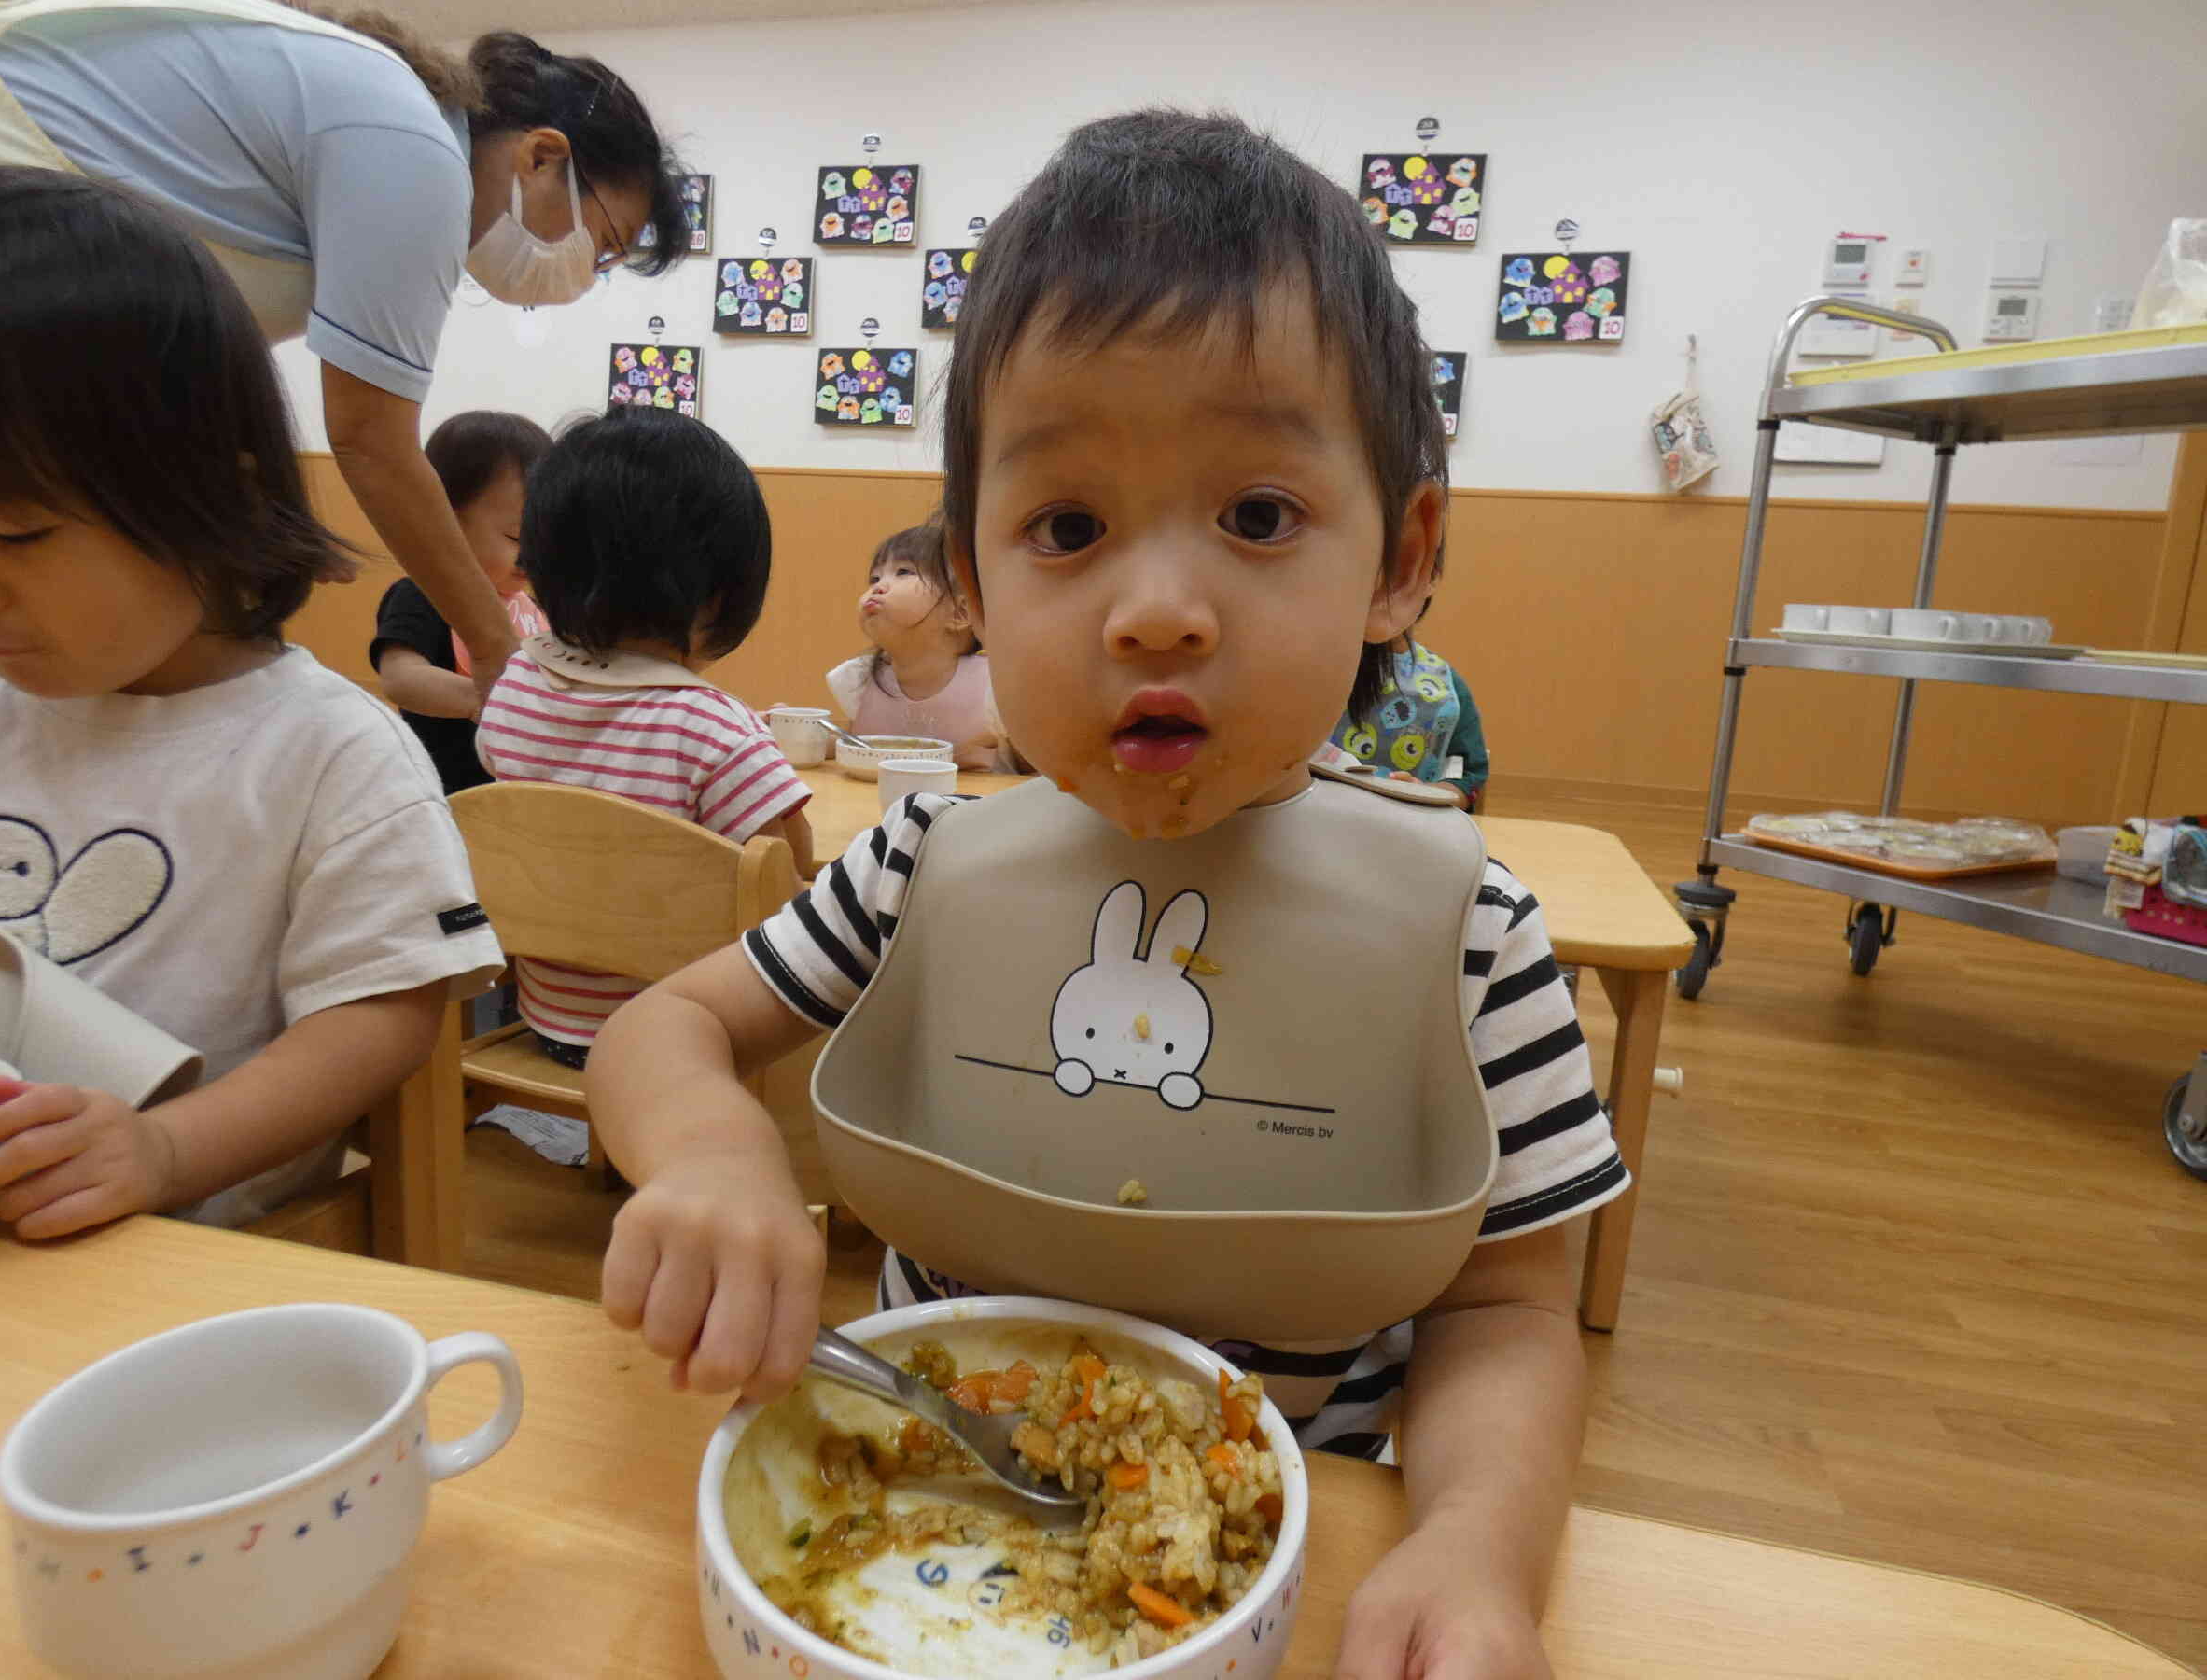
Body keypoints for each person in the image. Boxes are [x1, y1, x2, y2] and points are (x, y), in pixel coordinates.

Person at [584, 112, 1623, 1678]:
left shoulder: (1470, 936)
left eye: (1258, 517)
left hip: (1269, 1577)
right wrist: (715, 1151)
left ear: (1401, 560)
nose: (1154, 612)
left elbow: (1512, 1318)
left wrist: (1475, 1544)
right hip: (911, 1535)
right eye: (1068, 528)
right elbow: (660, 1028)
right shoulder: (917, 866)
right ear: (976, 583)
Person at [0, 168, 503, 1234]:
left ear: (215, 490)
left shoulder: (327, 752)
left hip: (178, 1256)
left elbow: (385, 1011)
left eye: (16, 536)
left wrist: (167, 1148)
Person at [0, 2, 691, 699]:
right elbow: (372, 441)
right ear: (542, 155)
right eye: (603, 245)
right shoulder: (418, 152)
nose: (581, 277)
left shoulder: (385, 132)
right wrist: (499, 657)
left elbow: (170, 360)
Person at [476, 408, 815, 1070]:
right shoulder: (713, 727)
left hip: (547, 1022)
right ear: (717, 595)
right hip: (680, 1039)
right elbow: (785, 871)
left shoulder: (516, 683)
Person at [371, 410, 552, 794]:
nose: (533, 555)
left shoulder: (531, 607)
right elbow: (399, 678)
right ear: (446, 523)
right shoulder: (423, 592)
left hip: (516, 792)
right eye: (516, 537)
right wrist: (479, 699)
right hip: (445, 791)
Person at [825, 513, 1008, 770]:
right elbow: (853, 744)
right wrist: (799, 736)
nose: (878, 587)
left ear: (960, 613)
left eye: (903, 572)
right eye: (875, 579)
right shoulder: (858, 680)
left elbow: (1029, 771)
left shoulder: (996, 688)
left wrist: (993, 760)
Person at [1328, 628, 1490, 809]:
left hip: (1407, 825)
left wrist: (1423, 792)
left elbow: (1466, 780)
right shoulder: (1312, 668)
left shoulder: (1448, 690)